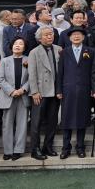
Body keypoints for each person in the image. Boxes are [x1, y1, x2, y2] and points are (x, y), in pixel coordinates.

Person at [56, 27, 95, 159]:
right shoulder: (64, 52)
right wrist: (59, 90)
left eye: (79, 35)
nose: (76, 37)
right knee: (66, 120)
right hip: (68, 90)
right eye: (74, 35)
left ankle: (80, 147)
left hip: (84, 90)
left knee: (82, 119)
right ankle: (65, 148)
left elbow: (93, 73)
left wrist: (94, 89)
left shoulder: (90, 52)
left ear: (83, 37)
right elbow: (60, 73)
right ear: (70, 38)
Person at [27, 27, 61, 160]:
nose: (50, 37)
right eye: (46, 35)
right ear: (39, 38)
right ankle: (35, 149)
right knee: (36, 122)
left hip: (55, 91)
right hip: (40, 92)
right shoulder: (34, 52)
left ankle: (48, 146)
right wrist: (34, 91)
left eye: (51, 34)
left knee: (52, 121)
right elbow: (32, 74)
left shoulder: (59, 49)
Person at [0, 37, 30, 161]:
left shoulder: (29, 60)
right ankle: (8, 151)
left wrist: (23, 90)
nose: (17, 45)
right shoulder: (4, 61)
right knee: (7, 124)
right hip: (8, 96)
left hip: (23, 96)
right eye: (15, 43)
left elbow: (32, 77)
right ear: (11, 46)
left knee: (22, 124)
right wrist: (11, 91)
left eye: (21, 44)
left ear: (24, 47)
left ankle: (18, 150)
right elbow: (0, 79)